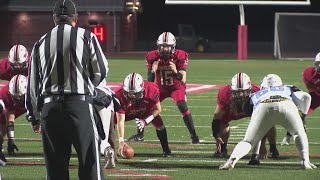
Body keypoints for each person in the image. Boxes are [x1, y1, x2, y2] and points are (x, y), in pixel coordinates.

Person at [25, 0, 109, 179]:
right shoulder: (86, 36)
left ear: (54, 18)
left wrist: (34, 116)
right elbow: (101, 71)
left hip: (50, 109)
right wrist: (86, 88)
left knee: (55, 168)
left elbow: (32, 85)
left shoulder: (40, 42)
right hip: (79, 106)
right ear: (75, 18)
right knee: (89, 163)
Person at [219, 74, 316, 170]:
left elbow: (247, 108)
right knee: (299, 133)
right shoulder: (288, 88)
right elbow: (307, 97)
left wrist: (255, 154)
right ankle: (305, 161)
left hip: (263, 106)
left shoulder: (255, 94)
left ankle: (232, 160)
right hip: (286, 104)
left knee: (248, 141)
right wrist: (302, 116)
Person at [128, 32, 200, 144]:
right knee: (144, 104)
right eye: (162, 46)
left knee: (182, 105)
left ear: (173, 46)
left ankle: (194, 135)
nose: (164, 49)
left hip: (176, 87)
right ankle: (140, 134)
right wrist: (153, 70)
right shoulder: (152, 56)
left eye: (167, 47)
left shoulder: (180, 55)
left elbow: (183, 79)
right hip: (160, 87)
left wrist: (176, 71)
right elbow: (150, 80)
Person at [212, 72, 279, 164]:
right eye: (237, 92)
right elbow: (217, 116)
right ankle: (223, 148)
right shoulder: (225, 94)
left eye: (243, 92)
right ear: (231, 90)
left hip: (252, 110)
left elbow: (263, 122)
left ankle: (273, 148)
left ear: (250, 90)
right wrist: (216, 136)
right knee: (222, 123)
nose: (240, 95)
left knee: (268, 121)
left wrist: (262, 146)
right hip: (232, 112)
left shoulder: (257, 93)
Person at [113, 73, 171, 158]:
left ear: (142, 89)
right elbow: (120, 120)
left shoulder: (151, 89)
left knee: (159, 125)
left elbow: (157, 109)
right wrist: (121, 140)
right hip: (128, 111)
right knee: (109, 122)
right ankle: (107, 148)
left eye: (135, 94)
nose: (132, 96)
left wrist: (145, 121)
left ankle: (166, 149)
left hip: (145, 109)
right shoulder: (119, 95)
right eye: (129, 93)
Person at [281, 52, 320, 145]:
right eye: (318, 63)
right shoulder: (309, 73)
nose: (319, 66)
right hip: (316, 96)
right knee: (299, 114)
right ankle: (287, 137)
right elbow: (310, 87)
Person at [0, 75, 28, 166]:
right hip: (8, 107)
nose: (18, 99)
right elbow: (10, 120)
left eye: (20, 97)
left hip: (31, 104)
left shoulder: (35, 91)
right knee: (2, 125)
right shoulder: (5, 94)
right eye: (15, 97)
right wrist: (11, 141)